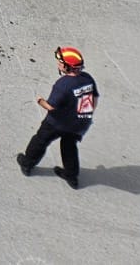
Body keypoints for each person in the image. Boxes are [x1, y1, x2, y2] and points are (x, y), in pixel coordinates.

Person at [18, 47, 99, 188]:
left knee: (40, 141)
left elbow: (51, 107)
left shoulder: (63, 84)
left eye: (61, 62)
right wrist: (85, 116)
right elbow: (94, 99)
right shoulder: (88, 78)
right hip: (78, 124)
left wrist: (40, 100)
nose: (58, 63)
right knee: (69, 147)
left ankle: (27, 163)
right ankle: (71, 176)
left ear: (68, 67)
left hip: (56, 123)